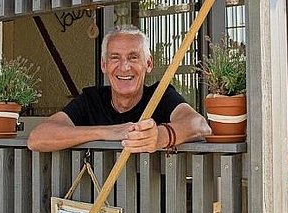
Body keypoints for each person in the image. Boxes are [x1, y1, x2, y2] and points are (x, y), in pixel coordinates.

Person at [28, 25, 211, 152]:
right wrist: (108, 132)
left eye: (133, 57)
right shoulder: (92, 100)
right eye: (115, 58)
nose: (124, 67)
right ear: (103, 65)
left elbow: (200, 125)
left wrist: (160, 137)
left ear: (148, 64)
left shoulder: (160, 96)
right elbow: (38, 138)